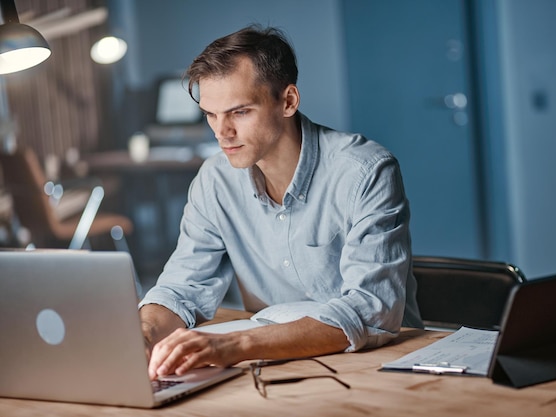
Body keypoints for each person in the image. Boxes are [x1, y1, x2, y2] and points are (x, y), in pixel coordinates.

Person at [139, 24, 422, 380]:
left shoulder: (365, 173)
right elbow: (182, 288)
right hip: (277, 364)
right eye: (211, 114)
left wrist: (235, 346)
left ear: (287, 101)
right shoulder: (215, 181)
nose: (221, 133)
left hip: (379, 366)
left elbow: (369, 311)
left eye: (239, 112)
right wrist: (144, 334)